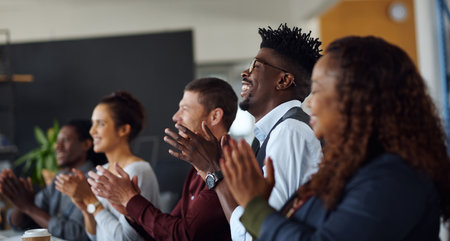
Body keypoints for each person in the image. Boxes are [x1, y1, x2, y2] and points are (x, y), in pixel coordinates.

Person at [220, 36, 450, 241]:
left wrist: (255, 207)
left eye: (318, 89)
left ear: (357, 99)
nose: (310, 102)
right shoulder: (347, 168)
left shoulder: (394, 176)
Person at [165, 24, 323, 240]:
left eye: (256, 65)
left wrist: (213, 171)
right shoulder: (274, 133)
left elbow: (259, 233)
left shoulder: (290, 132)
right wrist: (208, 169)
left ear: (283, 80)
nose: (245, 73)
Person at [88, 77, 237, 241]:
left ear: (215, 116)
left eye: (184, 109)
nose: (175, 117)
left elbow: (183, 235)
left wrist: (130, 199)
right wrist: (131, 212)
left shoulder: (229, 164)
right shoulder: (197, 167)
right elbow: (167, 230)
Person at [55, 91, 160, 241]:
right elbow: (95, 236)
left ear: (123, 129)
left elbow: (125, 239)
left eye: (101, 123)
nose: (92, 131)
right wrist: (84, 207)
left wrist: (91, 201)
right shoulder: (103, 170)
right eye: (93, 124)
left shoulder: (137, 170)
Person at [0, 119, 106, 241]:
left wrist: (29, 208)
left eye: (65, 140)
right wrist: (20, 203)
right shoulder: (59, 178)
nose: (57, 146)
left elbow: (79, 234)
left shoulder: (94, 180)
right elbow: (20, 223)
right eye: (57, 141)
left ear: (86, 145)